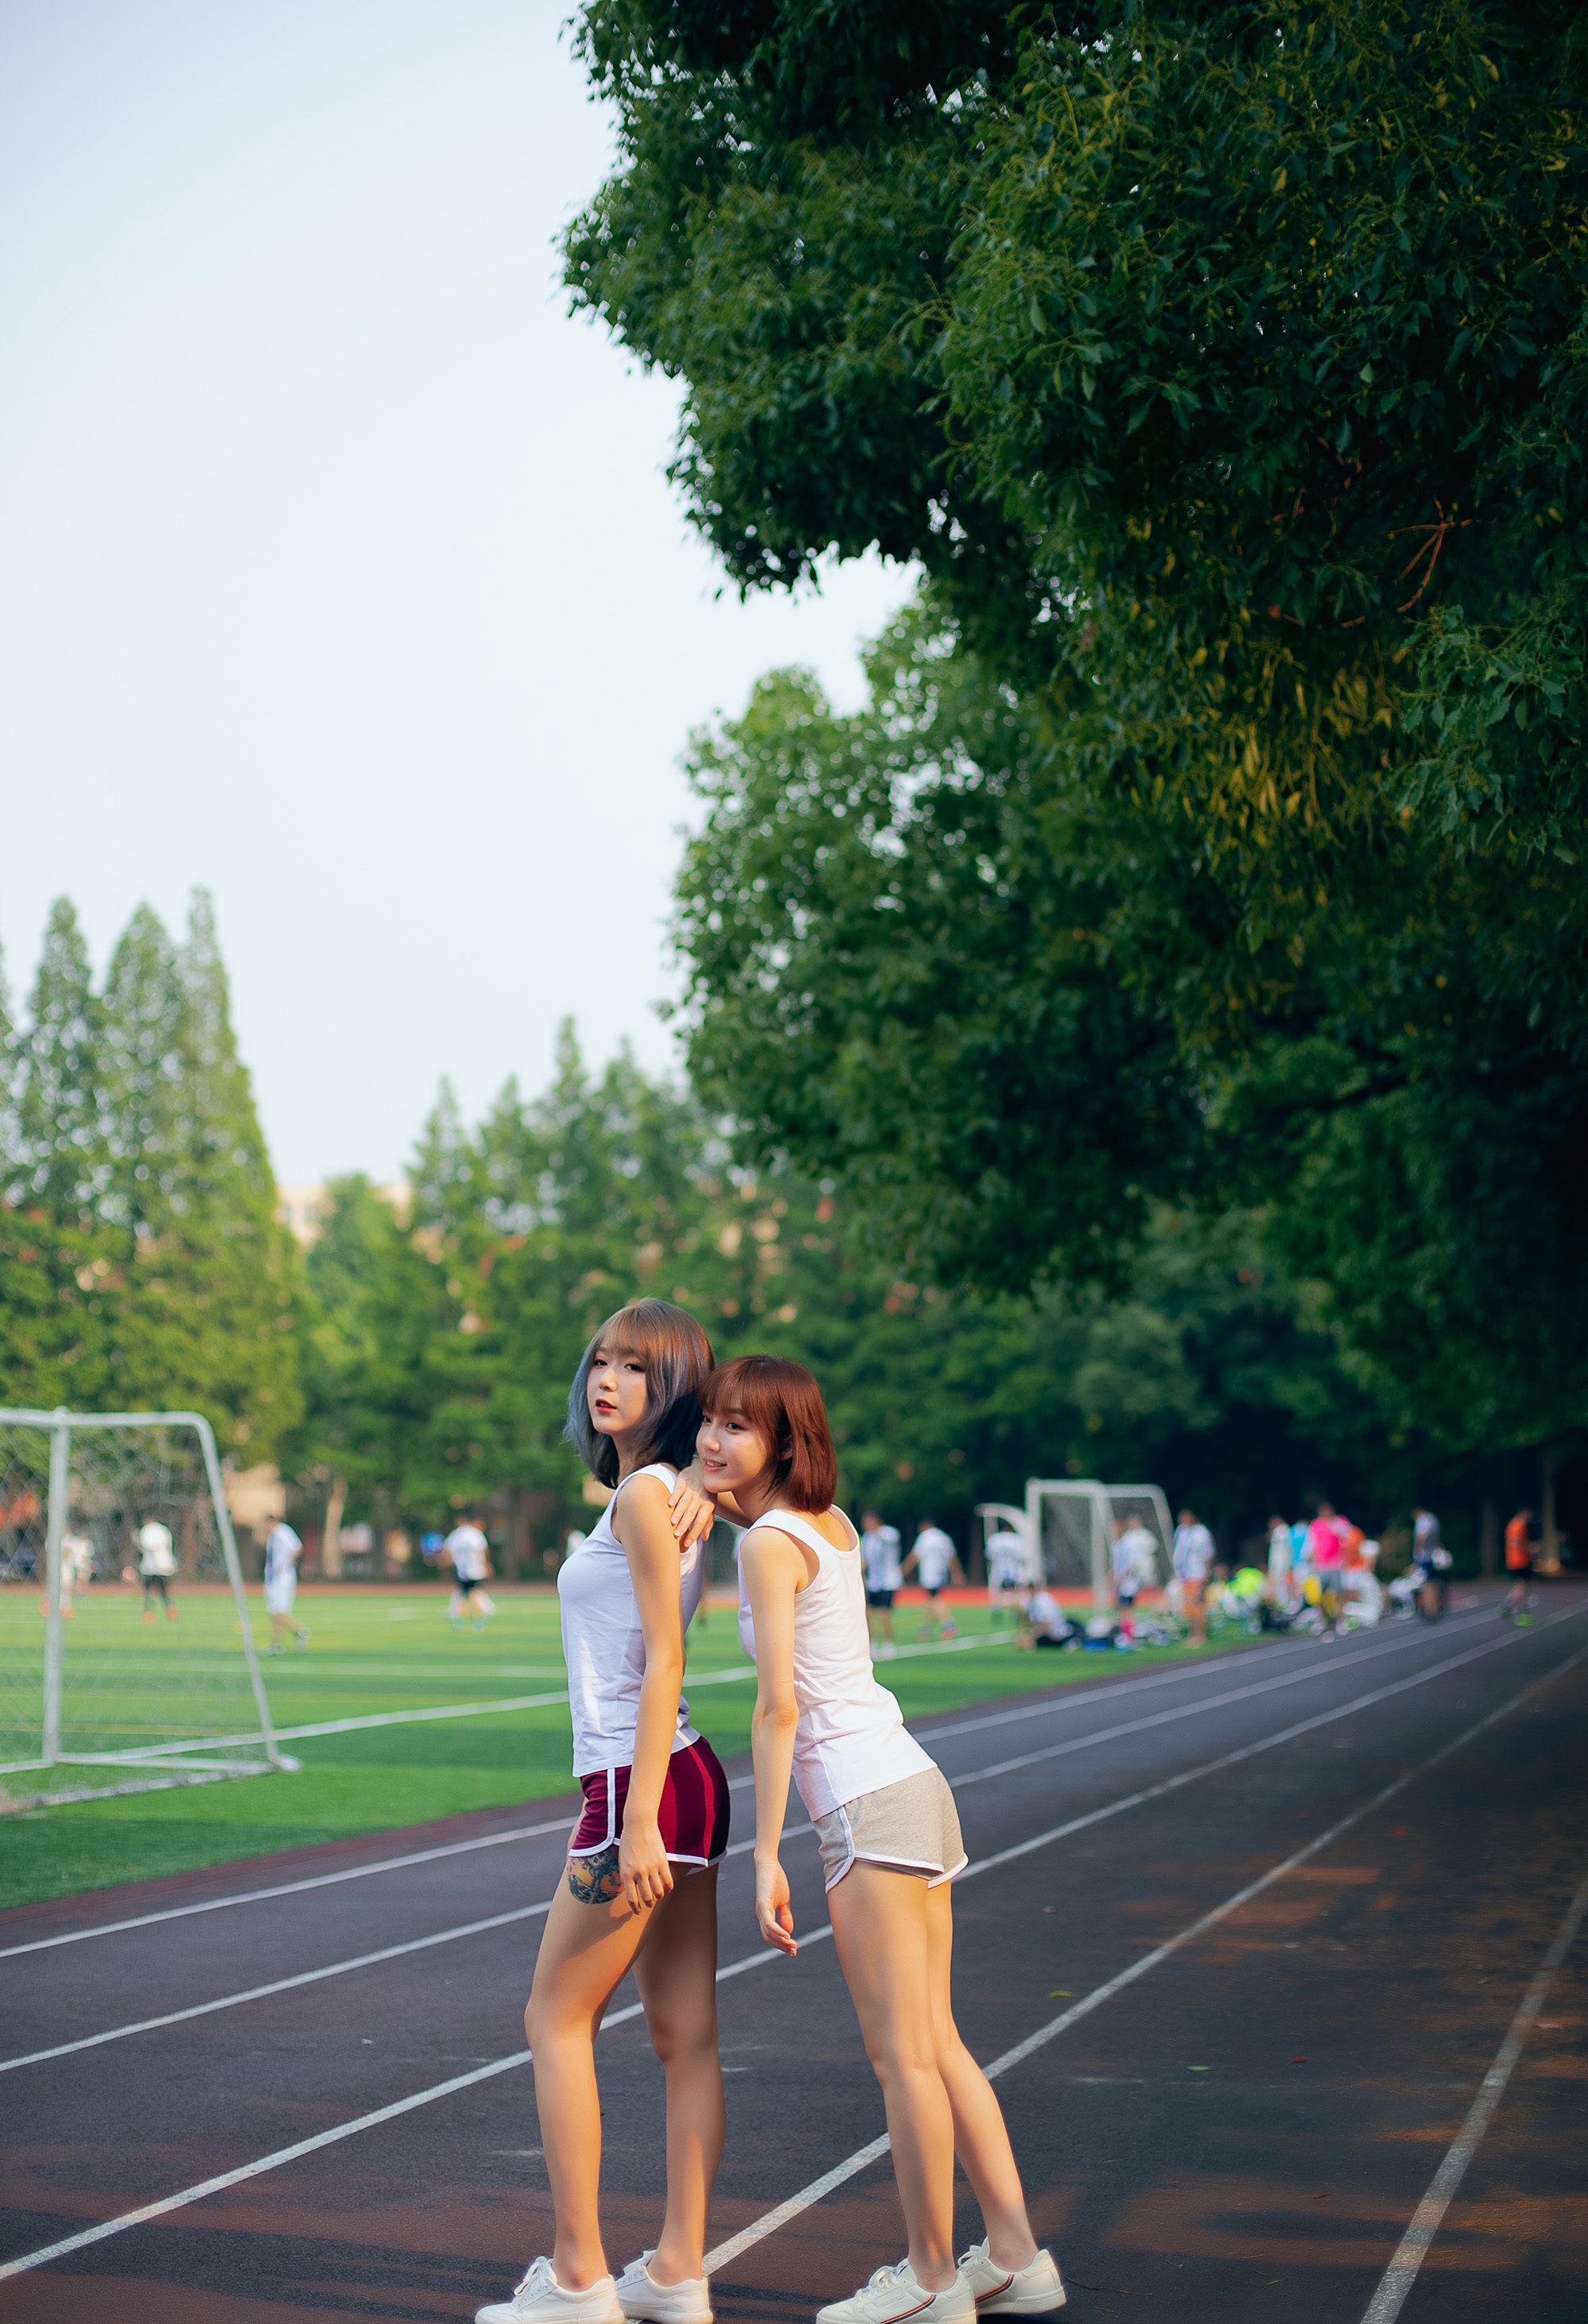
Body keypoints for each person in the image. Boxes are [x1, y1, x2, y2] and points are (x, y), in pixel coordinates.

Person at [702, 1355, 1064, 2324]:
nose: (711, 1439)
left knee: (902, 2054)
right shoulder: (825, 1526)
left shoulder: (768, 1546)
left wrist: (765, 1851)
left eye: (736, 1425)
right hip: (906, 1783)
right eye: (708, 1420)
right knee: (934, 2043)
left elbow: (778, 1707)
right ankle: (1017, 2256)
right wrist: (708, 1496)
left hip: (864, 1802)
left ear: (782, 1439)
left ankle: (932, 2278)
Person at [478, 1301, 725, 2324]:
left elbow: (664, 1653)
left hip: (640, 1784)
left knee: (553, 2016)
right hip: (688, 1775)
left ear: (673, 1389)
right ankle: (675, 2272)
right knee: (684, 2034)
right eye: (601, 1361)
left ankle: (579, 2276)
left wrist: (635, 1820)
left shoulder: (645, 1499)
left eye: (636, 1366)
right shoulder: (664, 1493)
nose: (607, 1378)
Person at [901, 1517, 964, 1642]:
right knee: (930, 1600)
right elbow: (951, 1557)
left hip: (929, 1573)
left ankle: (949, 1626)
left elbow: (915, 1555)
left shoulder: (925, 1537)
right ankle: (925, 1628)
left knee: (935, 1599)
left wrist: (903, 1570)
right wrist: (957, 1573)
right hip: (941, 1573)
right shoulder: (943, 1537)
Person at [860, 1509, 904, 1655]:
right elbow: (865, 1559)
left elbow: (891, 1541)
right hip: (873, 1581)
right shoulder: (867, 1538)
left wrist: (876, 1531)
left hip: (888, 1581)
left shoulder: (889, 1532)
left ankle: (888, 1643)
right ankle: (872, 1643)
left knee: (885, 1612)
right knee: (868, 1613)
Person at [263, 1517, 308, 1653]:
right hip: (272, 1579)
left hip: (282, 1578)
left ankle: (299, 1631)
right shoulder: (273, 1536)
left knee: (279, 1611)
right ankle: (276, 1644)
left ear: (271, 1522)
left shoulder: (283, 1532)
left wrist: (286, 1564)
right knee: (273, 1612)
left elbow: (297, 1548)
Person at [1172, 1509, 1214, 1647]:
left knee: (1198, 1606)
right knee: (1189, 1607)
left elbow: (1208, 1554)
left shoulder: (1201, 1533)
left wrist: (1206, 1574)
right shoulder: (1181, 1531)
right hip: (1185, 1575)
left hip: (1197, 1574)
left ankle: (1200, 1635)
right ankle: (1192, 1635)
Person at [445, 1518, 497, 1628]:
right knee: (475, 1593)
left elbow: (448, 1550)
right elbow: (483, 1549)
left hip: (462, 1570)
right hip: (476, 1569)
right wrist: (487, 1564)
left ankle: (457, 1620)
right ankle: (478, 1620)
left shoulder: (457, 1534)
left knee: (462, 1594)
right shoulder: (475, 1533)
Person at [1308, 1503, 1347, 1636]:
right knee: (1319, 1595)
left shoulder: (1338, 1523)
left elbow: (1346, 1538)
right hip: (1321, 1565)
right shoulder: (1316, 1525)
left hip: (1335, 1564)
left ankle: (1341, 1621)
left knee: (1338, 1594)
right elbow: (1312, 1543)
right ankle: (1321, 1620)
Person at [983, 1522, 1027, 1624]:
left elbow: (989, 1556)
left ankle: (997, 1612)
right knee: (1015, 1592)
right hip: (1014, 1570)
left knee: (997, 1592)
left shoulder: (995, 1539)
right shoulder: (1016, 1539)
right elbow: (1022, 1557)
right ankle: (1015, 1614)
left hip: (997, 1570)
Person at [137, 1519, 178, 1621]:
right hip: (163, 1565)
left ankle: (148, 1614)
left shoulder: (147, 1530)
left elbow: (147, 1546)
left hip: (149, 1567)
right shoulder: (163, 1530)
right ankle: (171, 1611)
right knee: (164, 1591)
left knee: (148, 1592)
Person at [1502, 1506, 1537, 1624]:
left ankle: (1508, 1606)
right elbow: (1515, 1541)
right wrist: (1530, 1548)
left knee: (1520, 1586)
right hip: (1519, 1561)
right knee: (1522, 1588)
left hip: (1515, 1561)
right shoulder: (1519, 1525)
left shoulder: (1513, 1523)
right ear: (1526, 1512)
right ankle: (1521, 1615)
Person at [1265, 1514, 1294, 1613]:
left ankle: (1284, 1603)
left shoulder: (1282, 1530)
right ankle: (1280, 1602)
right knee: (1277, 1583)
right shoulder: (1280, 1531)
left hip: (1281, 1562)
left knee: (1282, 1583)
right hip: (1276, 1562)